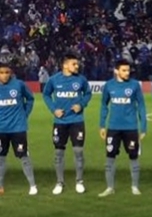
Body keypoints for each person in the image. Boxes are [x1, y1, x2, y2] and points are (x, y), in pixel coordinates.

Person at [43, 52, 92, 195]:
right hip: (60, 121)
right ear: (65, 65)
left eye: (77, 64)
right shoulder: (53, 80)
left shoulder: (81, 80)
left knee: (78, 151)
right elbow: (46, 94)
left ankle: (79, 181)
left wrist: (81, 104)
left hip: (77, 121)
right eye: (74, 64)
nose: (77, 66)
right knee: (58, 152)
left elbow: (88, 94)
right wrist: (53, 110)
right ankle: (59, 182)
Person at [98, 59, 147, 196]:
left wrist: (143, 126)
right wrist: (102, 125)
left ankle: (135, 187)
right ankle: (110, 188)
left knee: (133, 156)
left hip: (130, 127)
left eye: (128, 70)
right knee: (110, 157)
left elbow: (141, 106)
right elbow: (103, 105)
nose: (127, 73)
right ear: (116, 71)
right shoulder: (109, 86)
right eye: (124, 70)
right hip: (113, 128)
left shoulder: (135, 85)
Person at [0, 60, 38, 195]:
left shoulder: (19, 85)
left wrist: (25, 114)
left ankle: (33, 185)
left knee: (24, 157)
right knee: (1, 157)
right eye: (1, 73)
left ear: (11, 73)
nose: (4, 75)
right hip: (1, 130)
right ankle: (0, 186)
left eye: (7, 72)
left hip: (18, 128)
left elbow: (30, 99)